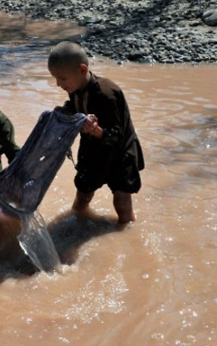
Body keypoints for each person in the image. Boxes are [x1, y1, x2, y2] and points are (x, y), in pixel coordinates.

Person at [47, 40, 144, 224]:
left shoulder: (107, 94)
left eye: (62, 78)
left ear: (82, 70)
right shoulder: (75, 87)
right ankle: (77, 219)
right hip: (93, 148)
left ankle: (128, 231)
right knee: (83, 194)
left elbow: (117, 134)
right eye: (55, 78)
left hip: (120, 151)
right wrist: (66, 110)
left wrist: (98, 131)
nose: (58, 84)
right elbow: (76, 106)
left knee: (122, 200)